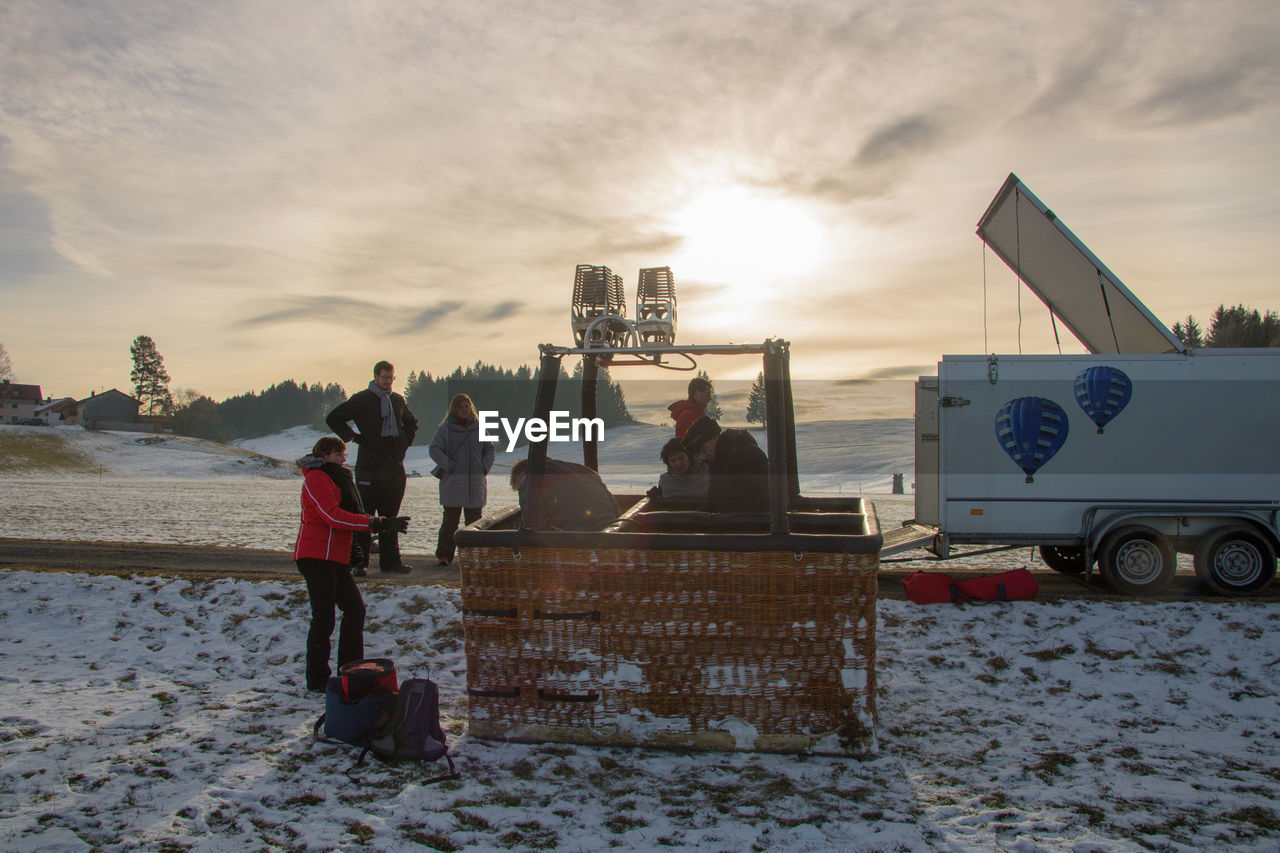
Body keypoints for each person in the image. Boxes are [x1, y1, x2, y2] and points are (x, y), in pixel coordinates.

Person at [293, 436, 409, 693]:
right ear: (324, 454)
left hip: (335, 556)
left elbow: (348, 514)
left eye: (344, 454)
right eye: (338, 454)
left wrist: (377, 522)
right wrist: (373, 523)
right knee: (324, 619)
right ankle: (317, 680)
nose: (343, 459)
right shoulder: (317, 478)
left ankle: (350, 670)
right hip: (316, 556)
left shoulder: (339, 478)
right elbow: (331, 516)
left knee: (355, 611)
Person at [325, 360, 419, 573]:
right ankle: (360, 562)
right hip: (369, 466)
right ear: (376, 376)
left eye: (391, 378)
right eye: (385, 377)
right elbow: (334, 418)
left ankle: (391, 562)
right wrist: (355, 438)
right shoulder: (362, 400)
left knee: (391, 517)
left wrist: (404, 442)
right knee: (364, 517)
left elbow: (412, 423)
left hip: (394, 466)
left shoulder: (397, 400)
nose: (388, 382)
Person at [428, 393, 494, 566]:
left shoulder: (480, 428)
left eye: (467, 407)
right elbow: (435, 449)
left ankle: (473, 556)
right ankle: (444, 555)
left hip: (475, 482)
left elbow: (489, 450)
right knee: (450, 521)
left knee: (475, 523)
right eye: (461, 407)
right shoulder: (445, 429)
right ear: (454, 409)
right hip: (453, 482)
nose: (464, 410)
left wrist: (484, 467)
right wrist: (449, 466)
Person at [681, 415, 770, 513]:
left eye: (704, 450)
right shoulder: (719, 462)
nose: (703, 457)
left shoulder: (749, 458)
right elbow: (713, 503)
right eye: (698, 454)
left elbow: (742, 507)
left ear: (714, 437)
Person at [510, 457, 620, 531]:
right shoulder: (585, 470)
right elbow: (615, 507)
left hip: (576, 543)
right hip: (610, 533)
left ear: (522, 475)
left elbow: (535, 527)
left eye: (519, 488)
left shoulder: (531, 481)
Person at [655, 435, 709, 502]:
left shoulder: (707, 473)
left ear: (689, 457)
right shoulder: (665, 481)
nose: (678, 463)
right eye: (673, 460)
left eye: (681, 458)